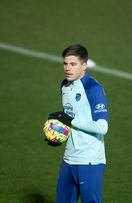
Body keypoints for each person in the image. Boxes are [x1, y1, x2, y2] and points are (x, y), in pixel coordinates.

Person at [47, 44, 109, 203]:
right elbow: (71, 117)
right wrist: (58, 135)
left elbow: (102, 127)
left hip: (90, 161)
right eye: (65, 63)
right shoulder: (65, 86)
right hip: (69, 159)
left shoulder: (92, 88)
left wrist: (69, 120)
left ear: (84, 65)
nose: (68, 68)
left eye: (73, 64)